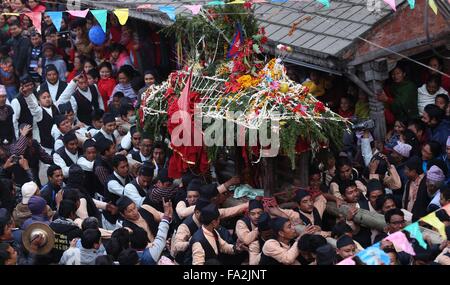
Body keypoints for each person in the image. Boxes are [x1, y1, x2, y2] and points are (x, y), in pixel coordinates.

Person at [403, 156, 428, 222]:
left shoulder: (426, 182)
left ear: (414, 171)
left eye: (406, 169)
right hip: (408, 217)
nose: (405, 171)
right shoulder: (408, 183)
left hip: (420, 220)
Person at [11, 75, 35, 140]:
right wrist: (18, 138)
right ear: (21, 87)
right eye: (27, 86)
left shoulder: (34, 95)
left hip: (36, 132)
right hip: (24, 136)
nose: (30, 87)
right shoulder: (16, 101)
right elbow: (14, 121)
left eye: (31, 84)